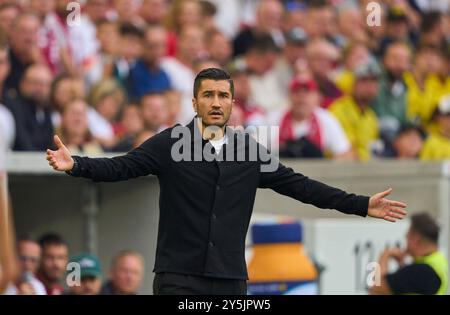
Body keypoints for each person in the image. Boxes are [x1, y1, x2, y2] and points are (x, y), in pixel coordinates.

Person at [46, 68, 407, 295]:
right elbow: (121, 167)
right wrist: (76, 163)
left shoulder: (249, 152)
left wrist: (361, 204)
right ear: (194, 102)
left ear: (233, 103)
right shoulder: (169, 144)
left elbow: (303, 187)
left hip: (230, 280)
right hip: (177, 279)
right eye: (208, 95)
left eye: (222, 95)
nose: (215, 102)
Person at [370, 213, 448, 295]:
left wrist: (385, 256)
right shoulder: (440, 262)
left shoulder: (421, 270)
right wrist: (403, 267)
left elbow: (376, 290)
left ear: (416, 239)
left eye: (407, 236)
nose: (406, 241)